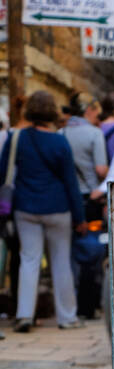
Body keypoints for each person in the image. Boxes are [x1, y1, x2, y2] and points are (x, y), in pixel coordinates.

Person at [0, 90, 86, 333]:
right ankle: (67, 317)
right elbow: (71, 183)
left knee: (29, 260)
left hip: (25, 207)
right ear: (51, 112)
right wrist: (79, 218)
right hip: (58, 208)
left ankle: (25, 314)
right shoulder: (60, 142)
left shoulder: (17, 139)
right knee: (60, 262)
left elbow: (2, 172)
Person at [61, 93, 108, 214]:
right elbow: (101, 170)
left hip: (66, 195)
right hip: (91, 196)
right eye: (97, 113)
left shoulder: (60, 133)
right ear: (88, 110)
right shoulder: (95, 133)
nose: (98, 117)